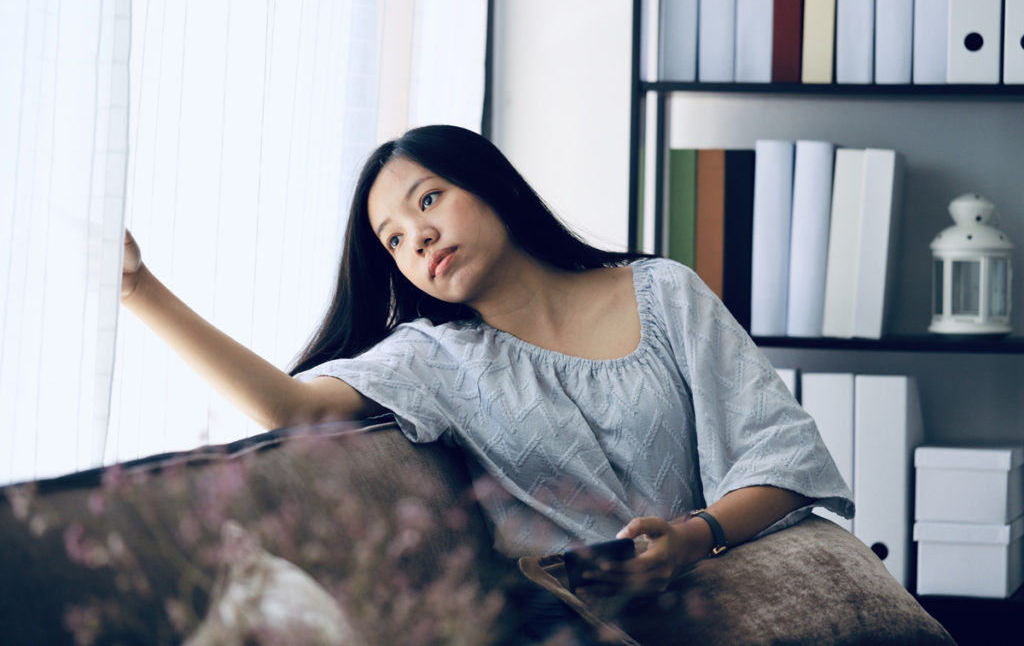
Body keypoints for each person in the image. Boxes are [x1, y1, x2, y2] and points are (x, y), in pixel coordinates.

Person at [121, 124, 852, 631]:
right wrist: (139, 288)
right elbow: (290, 405)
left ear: (488, 184)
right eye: (395, 239)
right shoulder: (432, 359)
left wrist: (695, 535)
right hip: (573, 620)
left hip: (722, 587)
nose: (420, 238)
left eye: (428, 200)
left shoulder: (664, 292)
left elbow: (781, 453)